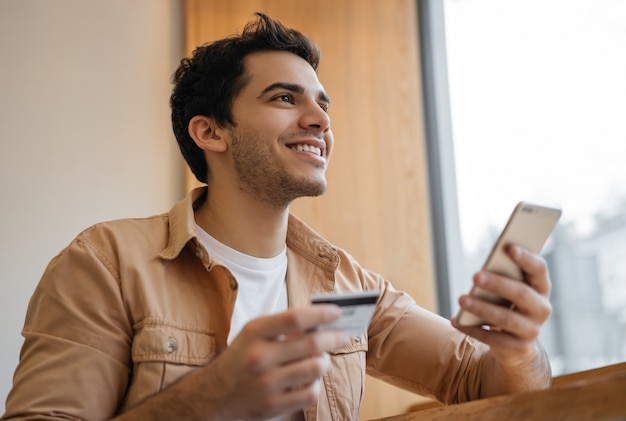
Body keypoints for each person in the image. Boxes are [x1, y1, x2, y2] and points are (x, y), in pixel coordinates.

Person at [2, 13, 553, 421]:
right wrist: (208, 400)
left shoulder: (350, 288)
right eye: (285, 99)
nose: (319, 120)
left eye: (322, 104)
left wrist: (517, 349)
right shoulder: (107, 264)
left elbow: (479, 381)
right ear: (210, 131)